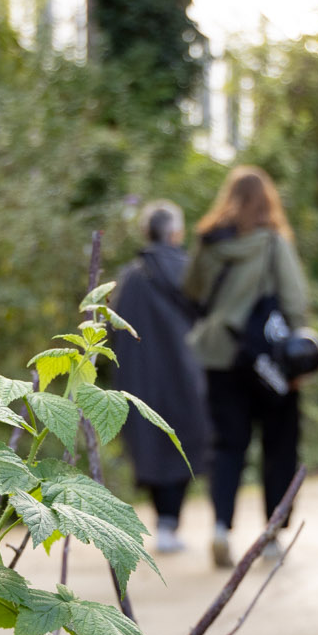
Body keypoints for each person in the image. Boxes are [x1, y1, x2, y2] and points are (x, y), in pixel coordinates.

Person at [184, 166, 310, 568]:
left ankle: (221, 527)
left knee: (227, 445)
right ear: (267, 201)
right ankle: (271, 536)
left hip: (220, 356)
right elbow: (295, 301)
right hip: (267, 362)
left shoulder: (208, 243)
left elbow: (192, 292)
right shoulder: (272, 243)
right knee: (278, 444)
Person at [110, 201, 211, 553]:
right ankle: (170, 522)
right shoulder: (189, 271)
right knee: (182, 442)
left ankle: (163, 522)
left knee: (150, 445)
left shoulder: (129, 278)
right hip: (187, 374)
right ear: (174, 233)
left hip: (139, 379)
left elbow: (112, 330)